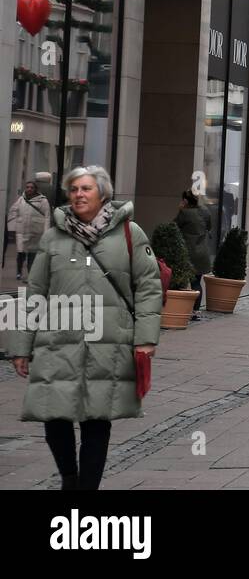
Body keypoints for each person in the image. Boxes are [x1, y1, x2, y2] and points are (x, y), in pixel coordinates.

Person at [10, 166, 162, 490]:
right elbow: (36, 290)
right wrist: (21, 345)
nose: (78, 194)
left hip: (108, 341)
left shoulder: (129, 234)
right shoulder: (54, 236)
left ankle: (86, 488)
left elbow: (149, 287)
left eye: (86, 189)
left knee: (96, 419)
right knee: (54, 416)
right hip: (58, 341)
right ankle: (69, 477)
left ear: (102, 194)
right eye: (74, 189)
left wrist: (146, 338)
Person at [175, 190, 212, 318]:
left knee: (181, 281)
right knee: (197, 282)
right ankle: (195, 311)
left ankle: (181, 309)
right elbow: (209, 227)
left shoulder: (185, 213)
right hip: (202, 252)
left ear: (185, 201)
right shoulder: (205, 211)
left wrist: (180, 209)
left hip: (188, 252)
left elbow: (174, 227)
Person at [8, 179, 50, 283]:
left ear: (36, 189)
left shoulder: (43, 200)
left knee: (32, 254)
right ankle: (19, 272)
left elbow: (47, 217)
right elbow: (13, 211)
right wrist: (13, 226)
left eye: (31, 187)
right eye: (27, 187)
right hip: (21, 231)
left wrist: (46, 232)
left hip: (36, 232)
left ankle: (31, 275)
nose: (29, 189)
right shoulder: (21, 199)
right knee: (20, 253)